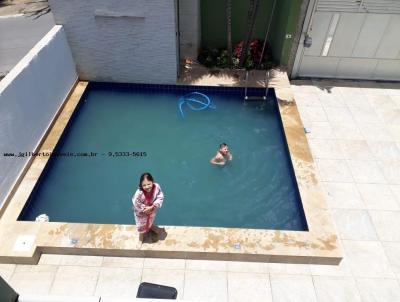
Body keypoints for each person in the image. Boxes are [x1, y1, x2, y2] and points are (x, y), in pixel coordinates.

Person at [132, 172, 164, 242]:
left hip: (152, 210)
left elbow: (160, 196)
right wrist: (144, 209)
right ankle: (141, 237)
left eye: (149, 184)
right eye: (144, 185)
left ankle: (150, 227)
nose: (147, 187)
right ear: (141, 185)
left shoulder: (157, 187)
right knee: (141, 226)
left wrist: (153, 206)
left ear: (152, 182)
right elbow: (135, 202)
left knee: (150, 220)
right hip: (141, 213)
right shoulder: (139, 193)